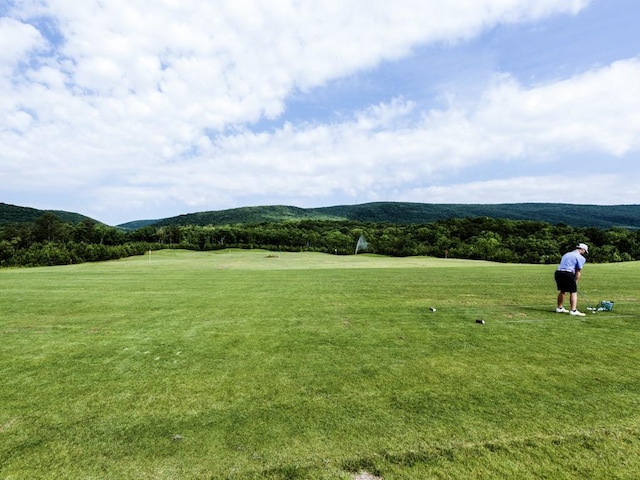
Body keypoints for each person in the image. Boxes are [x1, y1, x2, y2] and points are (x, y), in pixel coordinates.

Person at [554, 243, 589, 316]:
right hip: (568, 273)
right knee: (573, 292)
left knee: (562, 290)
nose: (584, 253)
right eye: (584, 251)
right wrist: (576, 281)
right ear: (582, 249)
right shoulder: (581, 258)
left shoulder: (566, 254)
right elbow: (578, 271)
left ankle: (559, 308)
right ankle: (573, 310)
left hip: (558, 272)